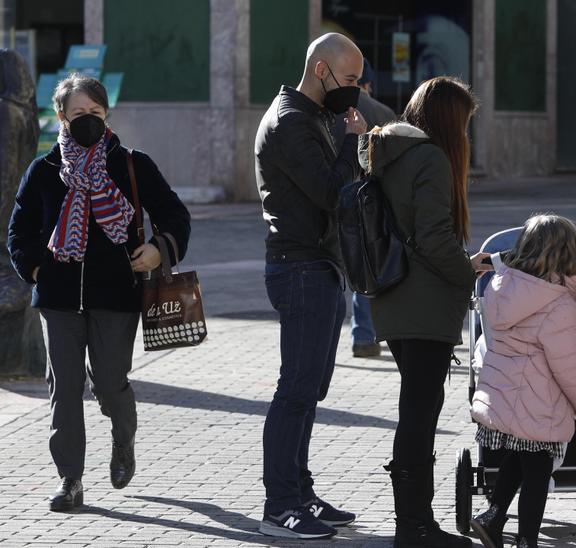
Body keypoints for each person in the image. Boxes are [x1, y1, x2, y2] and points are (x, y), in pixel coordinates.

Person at [7, 73, 191, 512]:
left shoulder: (131, 164)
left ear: (106, 114)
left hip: (117, 297)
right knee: (65, 389)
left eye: (94, 113)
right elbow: (19, 231)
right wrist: (37, 269)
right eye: (78, 114)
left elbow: (175, 216)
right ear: (61, 117)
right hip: (59, 300)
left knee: (110, 385)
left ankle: (123, 436)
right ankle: (70, 479)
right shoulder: (45, 170)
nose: (86, 120)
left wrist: (157, 250)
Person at [253, 33, 368, 540]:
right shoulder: (290, 122)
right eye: (349, 80)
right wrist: (350, 142)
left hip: (318, 268)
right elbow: (330, 193)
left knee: (309, 390)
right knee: (295, 390)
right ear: (321, 71)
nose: (356, 91)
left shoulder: (310, 116)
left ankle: (301, 492)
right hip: (300, 269)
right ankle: (280, 504)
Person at [360, 76, 483, 547]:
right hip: (424, 301)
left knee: (416, 409)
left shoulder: (388, 151)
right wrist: (467, 272)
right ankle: (414, 526)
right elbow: (432, 236)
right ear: (450, 122)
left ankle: (413, 522)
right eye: (466, 124)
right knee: (419, 414)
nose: (467, 136)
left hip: (395, 297)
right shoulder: (429, 157)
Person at [469, 214, 576, 548]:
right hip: (538, 400)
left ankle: (493, 517)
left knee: (519, 456)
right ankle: (527, 538)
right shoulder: (556, 303)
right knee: (538, 471)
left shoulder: (502, 286)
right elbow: (567, 367)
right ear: (570, 256)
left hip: (505, 394)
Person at [333, 58, 398, 359]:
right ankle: (364, 335)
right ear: (367, 83)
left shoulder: (327, 109)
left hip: (332, 197)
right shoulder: (383, 113)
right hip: (367, 202)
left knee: (331, 268)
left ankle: (329, 342)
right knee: (367, 265)